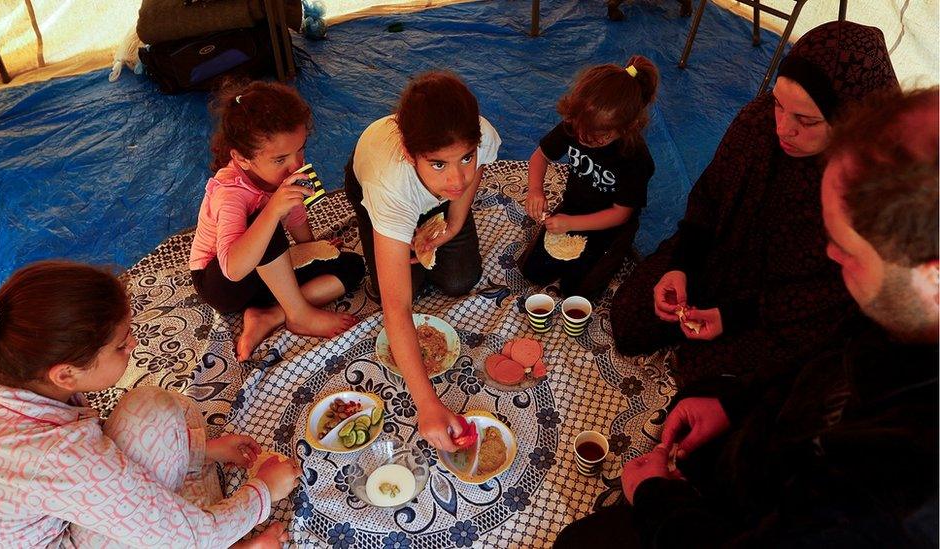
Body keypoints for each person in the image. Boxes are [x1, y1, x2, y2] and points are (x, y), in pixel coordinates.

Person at [555, 86, 939, 548]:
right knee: (696, 392)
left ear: (933, 275)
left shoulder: (895, 496)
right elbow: (821, 363)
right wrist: (735, 403)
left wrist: (658, 500)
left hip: (752, 513)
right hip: (763, 453)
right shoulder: (895, 315)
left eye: (850, 251)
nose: (831, 256)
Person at [610, 21, 900, 388]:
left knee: (711, 381)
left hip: (789, 307)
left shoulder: (874, 184)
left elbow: (825, 293)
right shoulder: (758, 122)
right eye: (779, 105)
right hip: (725, 259)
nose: (782, 128)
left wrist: (733, 316)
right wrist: (681, 265)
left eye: (805, 121)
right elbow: (710, 198)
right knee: (631, 320)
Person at [0, 261, 304, 547]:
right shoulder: (56, 456)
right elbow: (191, 534)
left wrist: (203, 448)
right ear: (65, 374)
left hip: (52, 507)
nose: (134, 343)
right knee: (177, 507)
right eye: (120, 345)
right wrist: (262, 493)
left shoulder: (3, 363)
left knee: (167, 409)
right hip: (60, 528)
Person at [343, 71, 502, 451]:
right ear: (411, 155)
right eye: (438, 164)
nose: (457, 180)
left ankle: (429, 222)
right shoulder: (389, 184)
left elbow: (470, 177)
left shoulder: (480, 136)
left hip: (431, 205)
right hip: (376, 193)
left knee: (461, 279)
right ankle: (389, 235)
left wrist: (455, 221)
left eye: (465, 156)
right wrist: (427, 404)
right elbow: (397, 307)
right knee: (396, 291)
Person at [189, 80, 365, 361]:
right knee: (262, 218)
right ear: (242, 158)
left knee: (352, 266)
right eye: (281, 158)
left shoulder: (285, 175)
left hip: (266, 275)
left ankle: (269, 315)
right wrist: (272, 211)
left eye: (300, 150)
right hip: (223, 284)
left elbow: (295, 218)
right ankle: (298, 313)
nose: (296, 165)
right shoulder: (229, 193)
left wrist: (312, 250)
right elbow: (232, 269)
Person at [521, 58, 658, 299]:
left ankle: (618, 252)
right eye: (581, 131)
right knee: (532, 272)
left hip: (611, 226)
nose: (585, 139)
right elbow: (539, 156)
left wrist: (572, 225)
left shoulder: (635, 157)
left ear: (626, 128)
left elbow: (621, 214)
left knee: (576, 292)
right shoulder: (576, 125)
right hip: (574, 208)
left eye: (600, 136)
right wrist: (535, 190)